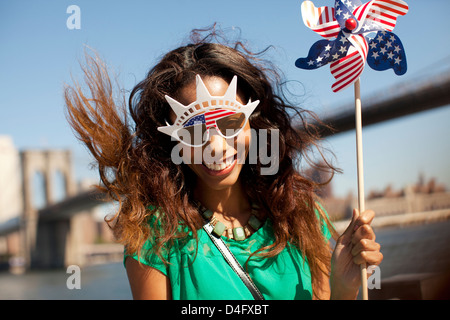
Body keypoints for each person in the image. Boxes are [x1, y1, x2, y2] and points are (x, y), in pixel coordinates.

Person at [64, 29, 382, 300]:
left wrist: (343, 288)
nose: (215, 147)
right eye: (193, 132)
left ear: (252, 124)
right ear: (172, 141)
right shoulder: (155, 239)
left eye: (230, 123)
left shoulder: (300, 212)